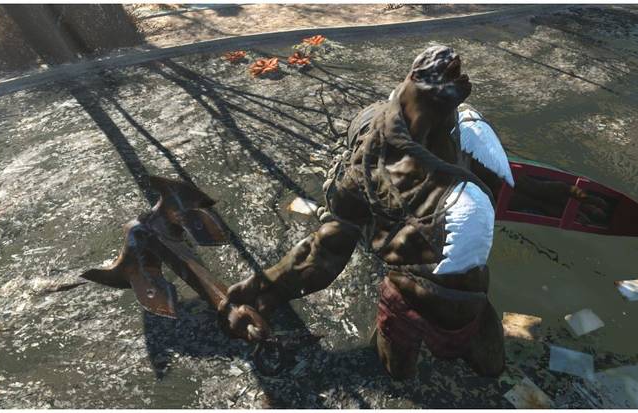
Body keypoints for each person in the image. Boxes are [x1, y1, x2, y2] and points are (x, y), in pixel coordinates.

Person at [218, 45, 600, 379]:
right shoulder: (368, 175)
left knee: (474, 371)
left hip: (458, 305)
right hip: (423, 305)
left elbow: (508, 187)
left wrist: (561, 195)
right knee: (410, 378)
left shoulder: (452, 146)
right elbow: (322, 255)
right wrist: (266, 285)